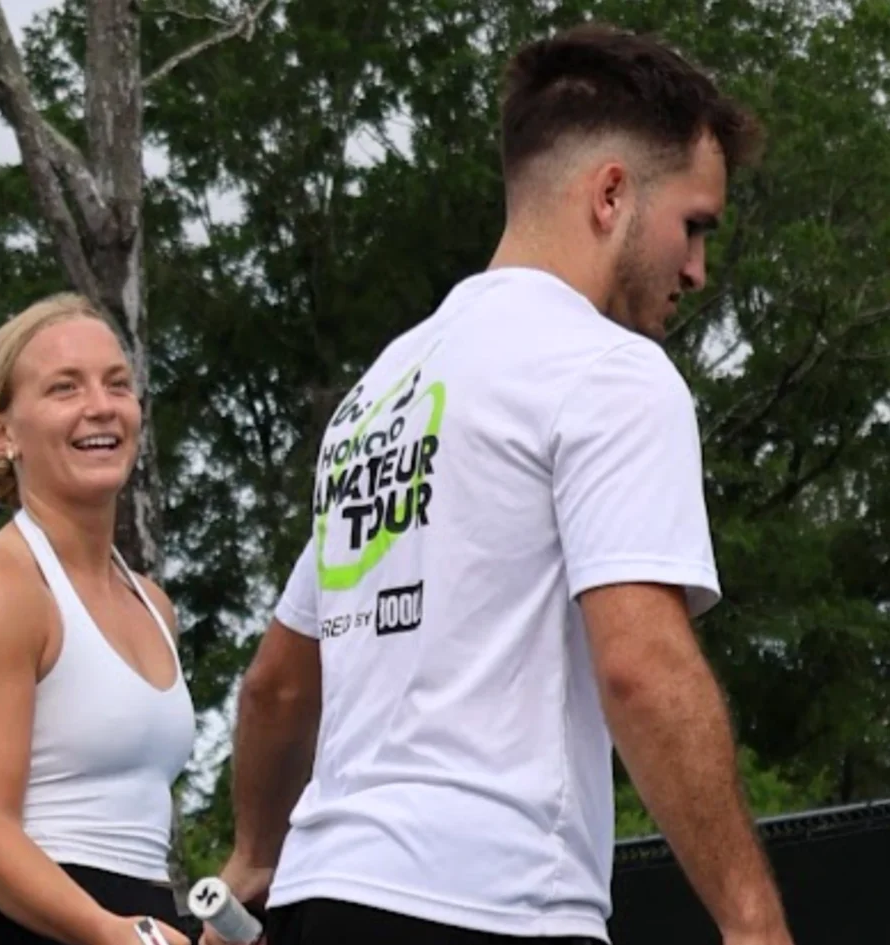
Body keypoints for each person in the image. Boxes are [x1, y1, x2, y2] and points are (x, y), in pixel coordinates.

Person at [205, 21, 795, 945]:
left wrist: (250, 861)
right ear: (611, 194)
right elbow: (641, 665)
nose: (697, 269)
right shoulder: (609, 369)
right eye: (694, 225)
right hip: (495, 906)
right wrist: (755, 924)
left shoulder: (383, 392)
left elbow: (278, 687)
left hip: (323, 900)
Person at [0, 293, 195, 945]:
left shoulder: (153, 603)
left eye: (117, 383)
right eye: (64, 388)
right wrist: (109, 931)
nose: (100, 406)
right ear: (2, 432)